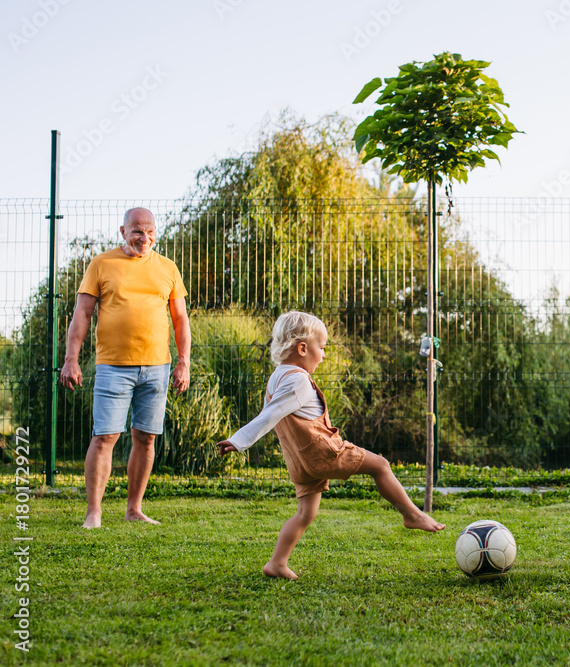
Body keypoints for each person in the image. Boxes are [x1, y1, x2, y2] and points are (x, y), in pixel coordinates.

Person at [216, 311, 445, 580]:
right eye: (321, 348)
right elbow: (270, 416)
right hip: (322, 453)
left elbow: (272, 413)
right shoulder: (298, 380)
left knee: (305, 514)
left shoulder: (277, 376)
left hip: (300, 463)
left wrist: (239, 439)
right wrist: (239, 440)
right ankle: (412, 515)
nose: (323, 355)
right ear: (303, 348)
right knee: (381, 466)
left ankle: (277, 563)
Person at [60, 207, 191, 529]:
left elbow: (180, 319)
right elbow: (82, 315)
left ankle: (134, 508)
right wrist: (71, 359)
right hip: (113, 366)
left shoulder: (167, 267)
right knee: (105, 437)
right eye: (136, 231)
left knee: (146, 438)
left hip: (158, 367)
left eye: (149, 232)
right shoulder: (101, 264)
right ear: (123, 231)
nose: (143, 238)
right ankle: (94, 512)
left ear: (155, 233)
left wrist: (183, 363)